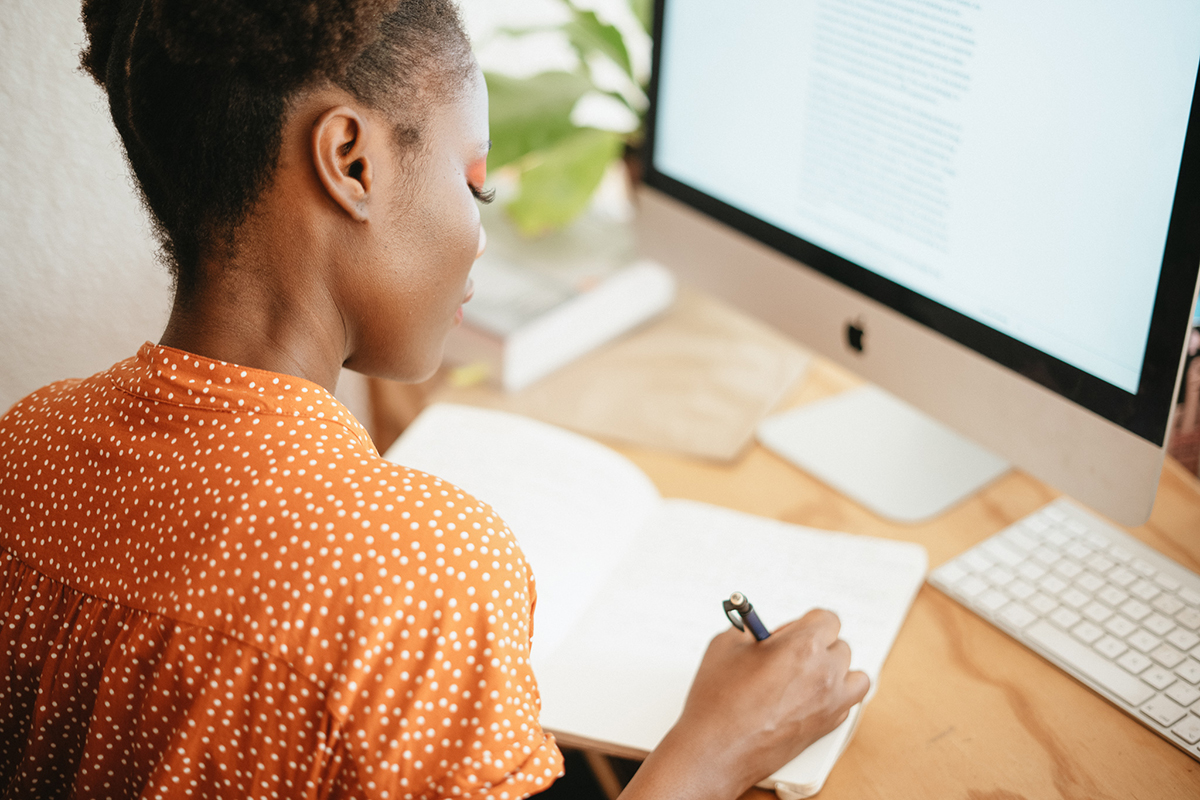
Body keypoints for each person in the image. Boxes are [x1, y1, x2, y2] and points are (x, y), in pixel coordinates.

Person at [0, 1, 869, 797]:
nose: (480, 235)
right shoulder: (422, 576)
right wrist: (718, 746)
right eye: (475, 183)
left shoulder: (26, 445)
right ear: (351, 161)